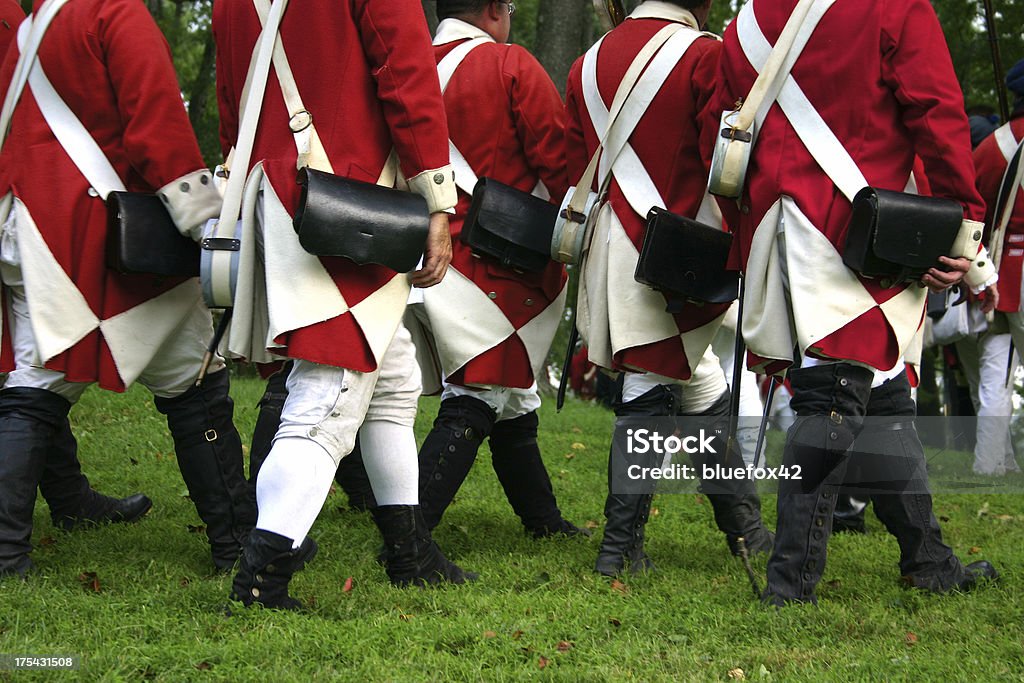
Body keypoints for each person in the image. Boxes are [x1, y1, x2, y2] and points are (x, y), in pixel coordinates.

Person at [712, 0, 998, 605]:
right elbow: (938, 115)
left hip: (775, 232)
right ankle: (789, 585)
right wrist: (961, 226)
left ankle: (929, 559)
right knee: (831, 400)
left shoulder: (742, 28)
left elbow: (727, 135)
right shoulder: (892, 6)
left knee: (884, 393)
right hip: (856, 233)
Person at [214, 0, 471, 610]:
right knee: (329, 392)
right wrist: (437, 195)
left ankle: (408, 550)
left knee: (392, 376)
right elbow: (406, 73)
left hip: (279, 193)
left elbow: (235, 103)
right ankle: (262, 576)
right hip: (347, 199)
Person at [0, 0, 255, 579]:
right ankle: (236, 542)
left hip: (28, 223)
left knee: (38, 376)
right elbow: (157, 126)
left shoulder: (22, 20)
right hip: (92, 235)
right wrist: (206, 227)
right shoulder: (111, 12)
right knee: (194, 384)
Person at [565, 0, 773, 577]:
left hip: (610, 247)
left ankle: (747, 529)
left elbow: (571, 162)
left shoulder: (585, 63)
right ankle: (618, 551)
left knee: (694, 378)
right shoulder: (706, 53)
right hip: (672, 253)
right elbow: (724, 160)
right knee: (651, 379)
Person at [407, 0, 585, 540]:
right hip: (488, 261)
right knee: (479, 391)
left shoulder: (403, 67)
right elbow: (560, 164)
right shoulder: (509, 64)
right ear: (491, 10)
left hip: (409, 248)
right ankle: (409, 533)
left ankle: (542, 520)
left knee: (513, 395)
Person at [0, 0, 152, 554]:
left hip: (19, 204)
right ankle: (7, 548)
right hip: (39, 210)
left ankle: (68, 499)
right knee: (35, 376)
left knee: (27, 365)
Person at [971, 59, 1024, 475]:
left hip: (1000, 273)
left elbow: (973, 209)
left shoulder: (995, 145)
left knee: (996, 374)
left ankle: (990, 461)